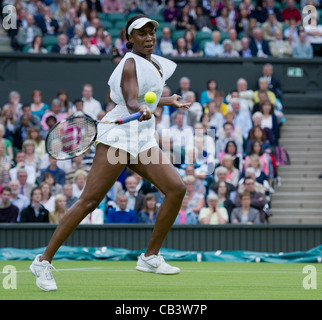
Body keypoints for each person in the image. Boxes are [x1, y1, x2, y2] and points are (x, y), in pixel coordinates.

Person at [30, 15, 191, 290]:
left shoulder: (154, 64)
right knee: (89, 200)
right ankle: (42, 262)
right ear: (130, 39)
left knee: (176, 188)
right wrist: (136, 108)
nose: (149, 37)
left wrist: (166, 100)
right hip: (118, 139)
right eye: (141, 34)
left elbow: (111, 97)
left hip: (142, 138)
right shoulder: (129, 63)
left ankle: (150, 256)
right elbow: (129, 102)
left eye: (151, 32)